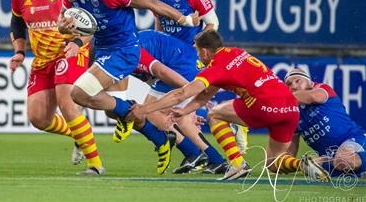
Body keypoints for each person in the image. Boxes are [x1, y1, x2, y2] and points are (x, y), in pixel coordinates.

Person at [54, 0, 200, 174]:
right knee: (109, 109)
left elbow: (151, 2)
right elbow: (73, 29)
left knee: (78, 93)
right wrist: (64, 29)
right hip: (104, 50)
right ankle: (160, 140)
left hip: (125, 50)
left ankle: (129, 109)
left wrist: (184, 19)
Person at [127, 30, 331, 182]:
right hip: (290, 108)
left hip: (264, 104)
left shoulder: (216, 66)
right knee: (273, 163)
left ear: (205, 52)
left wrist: (144, 109)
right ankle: (303, 164)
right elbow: (204, 95)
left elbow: (183, 92)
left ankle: (236, 163)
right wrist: (184, 111)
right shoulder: (235, 53)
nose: (198, 57)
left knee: (215, 114)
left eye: (198, 53)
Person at [9, 0, 104, 175]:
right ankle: (78, 133)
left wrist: (78, 42)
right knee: (38, 118)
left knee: (67, 103)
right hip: (42, 59)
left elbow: (91, 23)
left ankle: (96, 165)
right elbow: (16, 23)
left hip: (69, 51)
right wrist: (19, 52)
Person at [150, 0, 248, 152]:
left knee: (164, 105)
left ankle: (205, 151)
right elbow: (159, 21)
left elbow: (213, 23)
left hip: (190, 54)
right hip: (170, 56)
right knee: (184, 103)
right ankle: (222, 133)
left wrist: (198, 48)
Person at [114, 30, 228, 174]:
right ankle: (216, 160)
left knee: (152, 112)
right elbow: (151, 76)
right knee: (183, 120)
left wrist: (193, 94)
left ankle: (194, 154)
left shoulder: (130, 51)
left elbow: (163, 73)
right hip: (187, 62)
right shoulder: (128, 46)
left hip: (179, 67)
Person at [284, 68, 366, 178]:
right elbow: (290, 150)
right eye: (288, 85)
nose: (293, 86)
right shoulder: (293, 113)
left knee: (340, 160)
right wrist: (282, 163)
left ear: (309, 81)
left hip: (355, 139)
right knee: (310, 166)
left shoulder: (322, 89)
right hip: (330, 157)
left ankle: (351, 167)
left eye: (298, 81)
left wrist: (276, 98)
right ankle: (359, 171)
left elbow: (311, 97)